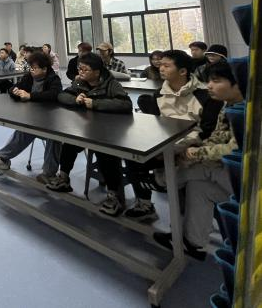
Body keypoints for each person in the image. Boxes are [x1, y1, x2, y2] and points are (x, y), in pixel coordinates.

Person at [152, 60, 240, 260]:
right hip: (227, 176)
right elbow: (218, 136)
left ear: (238, 83)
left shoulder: (249, 111)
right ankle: (193, 243)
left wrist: (197, 154)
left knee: (196, 169)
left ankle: (161, 179)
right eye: (209, 81)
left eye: (216, 81)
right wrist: (197, 151)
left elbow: (234, 149)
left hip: (247, 181)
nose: (209, 86)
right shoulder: (228, 106)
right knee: (198, 187)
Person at [125, 50, 224, 221]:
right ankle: (145, 204)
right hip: (165, 147)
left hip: (194, 149)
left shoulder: (206, 95)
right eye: (160, 65)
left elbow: (205, 131)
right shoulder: (159, 94)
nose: (160, 68)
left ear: (183, 71)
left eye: (166, 65)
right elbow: (156, 126)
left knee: (187, 179)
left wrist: (171, 149)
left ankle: (185, 224)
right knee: (133, 156)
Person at [46, 53, 133, 216]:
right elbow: (62, 95)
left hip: (109, 132)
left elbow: (125, 104)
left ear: (97, 72)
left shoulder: (111, 83)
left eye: (85, 69)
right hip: (87, 128)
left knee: (105, 153)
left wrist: (96, 103)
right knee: (69, 142)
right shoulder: (80, 82)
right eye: (79, 68)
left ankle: (114, 195)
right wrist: (75, 99)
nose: (81, 72)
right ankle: (63, 178)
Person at [0, 52, 64, 183]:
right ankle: (2, 159)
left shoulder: (53, 79)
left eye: (35, 68)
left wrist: (30, 96)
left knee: (54, 136)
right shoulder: (29, 77)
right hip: (33, 118)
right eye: (31, 67)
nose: (31, 70)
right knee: (23, 130)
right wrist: (15, 91)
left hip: (51, 121)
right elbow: (13, 88)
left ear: (44, 69)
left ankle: (48, 174)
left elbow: (54, 95)